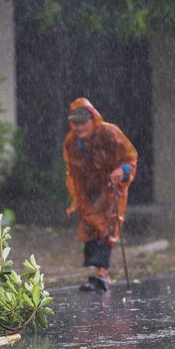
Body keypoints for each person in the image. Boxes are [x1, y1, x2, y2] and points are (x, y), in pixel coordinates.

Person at [62, 97, 137, 291]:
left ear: (92, 119)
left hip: (111, 188)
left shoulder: (110, 133)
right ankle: (97, 271)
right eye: (75, 123)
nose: (79, 128)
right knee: (90, 227)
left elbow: (130, 158)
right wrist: (76, 198)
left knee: (108, 226)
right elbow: (72, 171)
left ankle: (102, 274)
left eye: (83, 122)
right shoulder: (71, 142)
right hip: (88, 191)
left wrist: (122, 171)